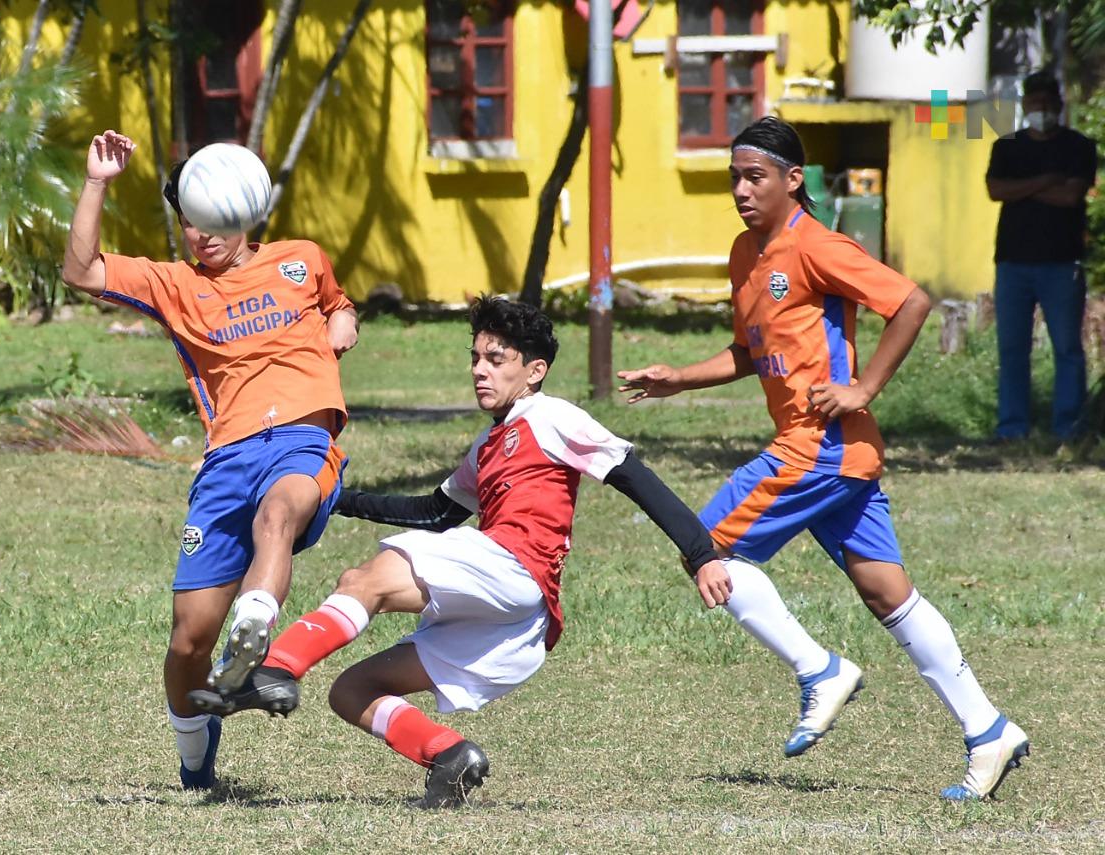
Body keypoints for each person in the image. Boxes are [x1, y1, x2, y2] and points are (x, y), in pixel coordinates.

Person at [618, 116, 1028, 801]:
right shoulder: (745, 253)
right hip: (843, 456)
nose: (743, 190)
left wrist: (864, 386)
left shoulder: (819, 247)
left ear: (792, 180)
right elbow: (754, 352)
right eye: (735, 178)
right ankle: (988, 730)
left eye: (756, 177)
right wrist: (680, 377)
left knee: (707, 543)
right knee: (888, 594)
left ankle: (820, 669)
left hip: (821, 444)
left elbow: (911, 301)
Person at [189, 296, 726, 806]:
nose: (480, 370)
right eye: (475, 358)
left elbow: (635, 476)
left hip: (514, 568)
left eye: (496, 359)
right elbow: (434, 512)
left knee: (362, 580)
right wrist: (334, 498)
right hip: (510, 608)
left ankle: (277, 668)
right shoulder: (489, 445)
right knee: (353, 689)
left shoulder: (553, 416)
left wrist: (701, 554)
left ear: (534, 371)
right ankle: (449, 757)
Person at [61, 130, 359, 790]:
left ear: (246, 212)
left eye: (213, 220)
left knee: (278, 516)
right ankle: (197, 759)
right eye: (189, 221)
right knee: (188, 642)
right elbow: (81, 271)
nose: (200, 234)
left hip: (302, 439)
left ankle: (256, 622)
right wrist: (97, 181)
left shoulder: (300, 260)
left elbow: (338, 303)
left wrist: (346, 318)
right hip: (227, 460)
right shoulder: (174, 285)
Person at [986, 69, 1097, 441]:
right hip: (1012, 263)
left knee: (1067, 349)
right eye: (1035, 102)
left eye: (1048, 102)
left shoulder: (1078, 146)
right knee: (1013, 350)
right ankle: (1012, 429)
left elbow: (1071, 196)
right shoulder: (1007, 147)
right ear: (1024, 105)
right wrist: (1047, 181)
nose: (1042, 108)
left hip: (1061, 263)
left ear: (1059, 105)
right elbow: (995, 189)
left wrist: (1022, 189)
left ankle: (1069, 428)